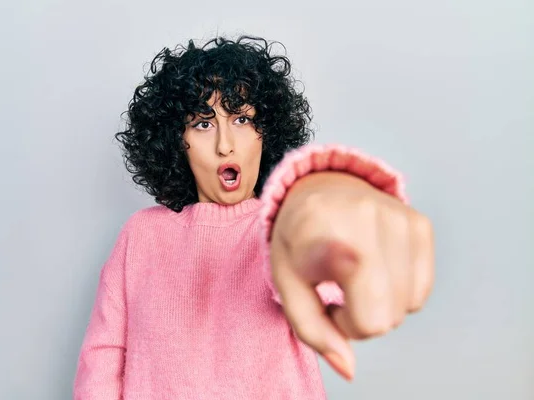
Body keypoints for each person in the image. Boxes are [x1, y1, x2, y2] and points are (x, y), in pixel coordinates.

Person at [73, 35, 434, 400]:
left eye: (242, 119)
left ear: (267, 134)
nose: (224, 144)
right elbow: (103, 357)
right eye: (203, 123)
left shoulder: (283, 224)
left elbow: (333, 283)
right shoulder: (141, 235)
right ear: (174, 140)